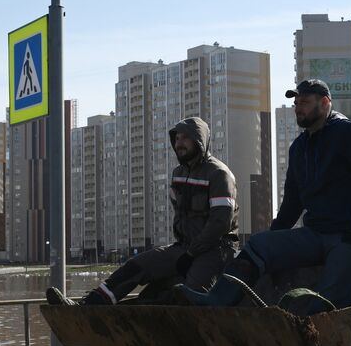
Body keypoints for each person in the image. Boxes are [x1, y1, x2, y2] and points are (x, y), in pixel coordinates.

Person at [179, 79, 351, 311]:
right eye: (296, 103)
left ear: (324, 103)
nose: (298, 108)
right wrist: (275, 238)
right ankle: (218, 300)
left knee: (326, 302)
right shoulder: (299, 148)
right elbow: (293, 201)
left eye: (305, 102)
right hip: (317, 233)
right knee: (259, 245)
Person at [71, 117, 237, 305]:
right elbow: (181, 216)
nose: (179, 143)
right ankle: (90, 304)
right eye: (177, 138)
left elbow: (220, 223)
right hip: (185, 247)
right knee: (136, 266)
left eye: (185, 138)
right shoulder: (178, 174)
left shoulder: (219, 174)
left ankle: (135, 312)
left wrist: (191, 254)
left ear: (199, 140)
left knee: (186, 296)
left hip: (215, 250)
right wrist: (185, 250)